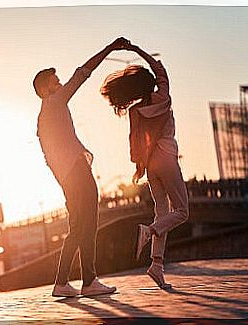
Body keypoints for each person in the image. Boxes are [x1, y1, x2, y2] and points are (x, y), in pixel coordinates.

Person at [33, 37, 129, 297]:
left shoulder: (42, 119)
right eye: (55, 82)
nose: (61, 83)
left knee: (77, 228)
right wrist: (109, 48)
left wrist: (63, 177)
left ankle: (63, 283)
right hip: (75, 172)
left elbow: (47, 156)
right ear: (45, 90)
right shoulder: (55, 103)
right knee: (88, 224)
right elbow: (82, 74)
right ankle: (89, 281)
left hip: (67, 177)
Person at [100, 41, 189, 290]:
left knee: (163, 212)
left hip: (150, 164)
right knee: (181, 212)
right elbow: (159, 68)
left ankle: (156, 265)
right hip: (167, 156)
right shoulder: (163, 97)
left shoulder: (136, 110)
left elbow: (134, 141)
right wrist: (136, 50)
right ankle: (148, 231)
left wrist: (139, 166)